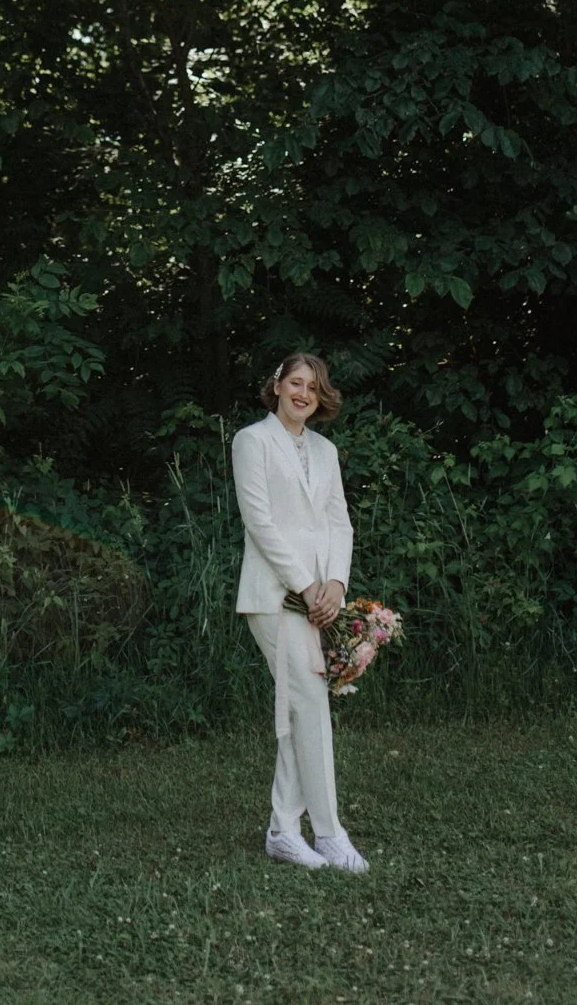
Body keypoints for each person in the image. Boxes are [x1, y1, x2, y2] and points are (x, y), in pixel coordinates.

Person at [230, 351, 368, 873]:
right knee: (309, 702)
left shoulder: (326, 451)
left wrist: (335, 584)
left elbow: (339, 523)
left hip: (320, 600)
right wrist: (306, 586)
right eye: (295, 383)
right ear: (277, 385)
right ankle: (330, 834)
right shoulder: (252, 441)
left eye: (313, 386)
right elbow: (259, 522)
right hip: (274, 595)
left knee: (301, 706)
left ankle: (283, 831)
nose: (303, 393)